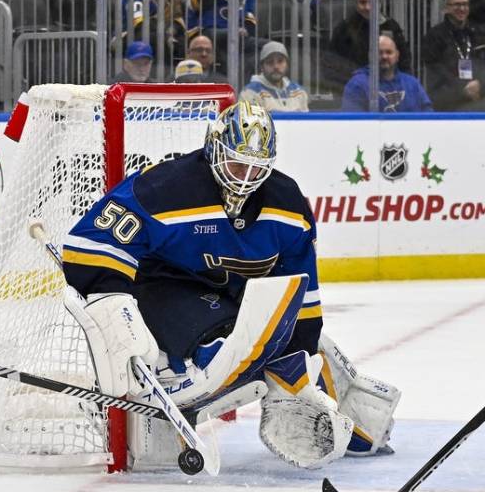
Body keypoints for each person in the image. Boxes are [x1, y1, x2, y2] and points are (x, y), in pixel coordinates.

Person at [61, 101, 399, 471]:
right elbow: (87, 246)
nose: (245, 178)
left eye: (257, 168)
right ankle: (177, 373)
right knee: (225, 344)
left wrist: (299, 359)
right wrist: (112, 302)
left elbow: (303, 298)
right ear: (214, 150)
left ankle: (350, 419)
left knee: (298, 346)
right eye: (238, 163)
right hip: (159, 286)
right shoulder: (165, 188)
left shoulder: (288, 206)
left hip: (231, 298)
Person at [420, 0, 485, 112]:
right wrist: (462, 88)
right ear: (447, 8)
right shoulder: (435, 35)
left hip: (478, 98)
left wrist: (480, 83)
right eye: (457, 5)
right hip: (448, 100)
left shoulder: (478, 33)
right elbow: (435, 70)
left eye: (465, 4)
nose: (462, 8)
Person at [329, 0, 411, 74]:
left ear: (380, 2)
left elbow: (404, 60)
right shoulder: (344, 28)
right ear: (356, 2)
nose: (368, 7)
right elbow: (334, 62)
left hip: (387, 84)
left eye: (372, 2)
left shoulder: (391, 26)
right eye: (363, 2)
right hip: (354, 83)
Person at [342, 33, 432, 112]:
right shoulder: (357, 84)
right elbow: (353, 123)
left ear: (397, 56)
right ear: (370, 56)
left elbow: (428, 116)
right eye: (379, 52)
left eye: (389, 52)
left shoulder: (412, 84)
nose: (384, 56)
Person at [241, 40, 309, 111]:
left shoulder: (299, 92)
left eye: (280, 61)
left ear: (287, 64)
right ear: (262, 67)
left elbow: (307, 121)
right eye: (270, 62)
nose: (276, 66)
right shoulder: (250, 93)